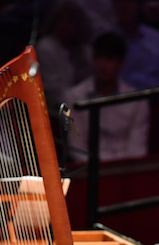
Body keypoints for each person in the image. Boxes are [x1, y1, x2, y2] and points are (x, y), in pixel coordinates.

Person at [64, 31, 149, 162]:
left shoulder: (137, 101)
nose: (102, 65)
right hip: (87, 171)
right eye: (98, 58)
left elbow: (137, 148)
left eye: (109, 59)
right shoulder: (74, 98)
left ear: (121, 63)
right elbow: (76, 146)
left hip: (126, 170)